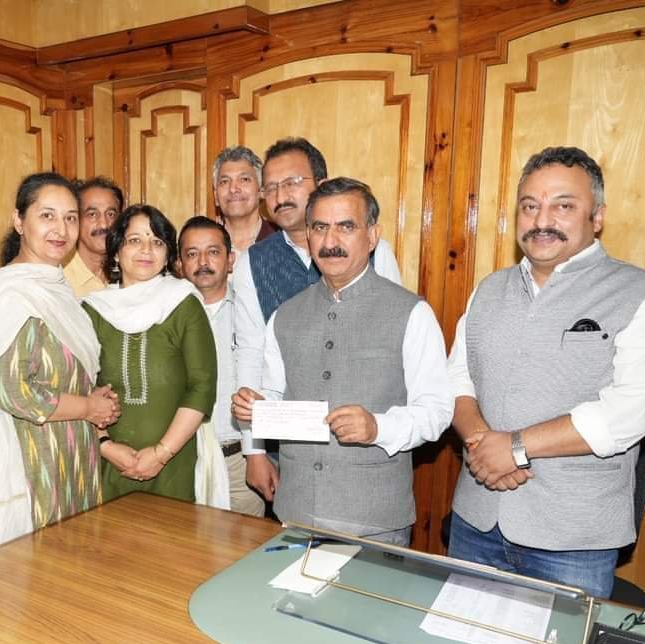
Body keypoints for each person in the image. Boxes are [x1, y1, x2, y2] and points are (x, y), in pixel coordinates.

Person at [446, 146, 645, 597]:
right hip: (476, 522)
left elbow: (627, 413)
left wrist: (514, 447)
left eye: (563, 206)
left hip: (573, 542)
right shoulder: (488, 290)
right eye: (529, 206)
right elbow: (457, 379)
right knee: (457, 639)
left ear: (597, 217)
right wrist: (481, 444)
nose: (542, 220)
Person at [232, 178, 452, 544]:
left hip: (374, 521)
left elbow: (437, 411)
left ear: (372, 235)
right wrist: (254, 408)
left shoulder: (411, 313)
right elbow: (274, 394)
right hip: (295, 513)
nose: (330, 241)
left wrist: (378, 427)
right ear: (309, 235)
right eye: (320, 227)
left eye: (346, 227)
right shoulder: (284, 316)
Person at [233, 137, 404, 501]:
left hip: (365, 449)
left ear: (322, 184)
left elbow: (394, 341)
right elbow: (250, 352)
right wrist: (254, 450)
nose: (281, 196)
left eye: (292, 182)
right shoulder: (252, 262)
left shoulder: (375, 250)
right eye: (271, 187)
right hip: (290, 448)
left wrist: (381, 427)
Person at [0, 172, 120, 546]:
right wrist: (88, 406)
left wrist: (93, 398)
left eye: (71, 217)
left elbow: (65, 369)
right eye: (47, 216)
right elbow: (14, 391)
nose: (61, 229)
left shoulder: (56, 288)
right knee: (46, 563)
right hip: (37, 459)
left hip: (77, 454)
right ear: (18, 221)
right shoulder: (15, 293)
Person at [83, 204, 220, 503]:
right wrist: (105, 445)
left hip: (175, 463)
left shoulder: (184, 303)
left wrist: (161, 453)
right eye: (134, 240)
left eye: (157, 242)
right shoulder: (92, 310)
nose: (146, 250)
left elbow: (202, 386)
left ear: (168, 254)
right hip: (108, 462)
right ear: (116, 251)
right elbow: (80, 388)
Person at [178, 215, 263, 516]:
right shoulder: (165, 316)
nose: (203, 261)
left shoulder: (253, 313)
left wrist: (258, 454)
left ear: (230, 260)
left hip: (240, 463)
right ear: (179, 264)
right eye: (192, 253)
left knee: (247, 545)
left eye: (213, 252)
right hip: (183, 459)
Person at [62, 176, 124, 298]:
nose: (104, 224)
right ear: (76, 220)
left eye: (111, 214)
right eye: (92, 214)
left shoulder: (130, 270)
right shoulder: (59, 278)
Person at [211, 145, 277, 253]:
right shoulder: (205, 245)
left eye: (244, 179)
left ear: (261, 190)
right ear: (216, 196)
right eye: (224, 181)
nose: (233, 189)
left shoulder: (283, 240)